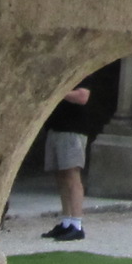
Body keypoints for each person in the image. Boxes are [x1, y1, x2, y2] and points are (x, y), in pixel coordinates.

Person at [39, 73, 112, 240]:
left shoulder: (83, 73)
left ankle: (77, 224)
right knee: (61, 176)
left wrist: (56, 93)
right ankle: (66, 221)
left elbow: (82, 97)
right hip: (56, 128)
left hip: (72, 130)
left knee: (72, 176)